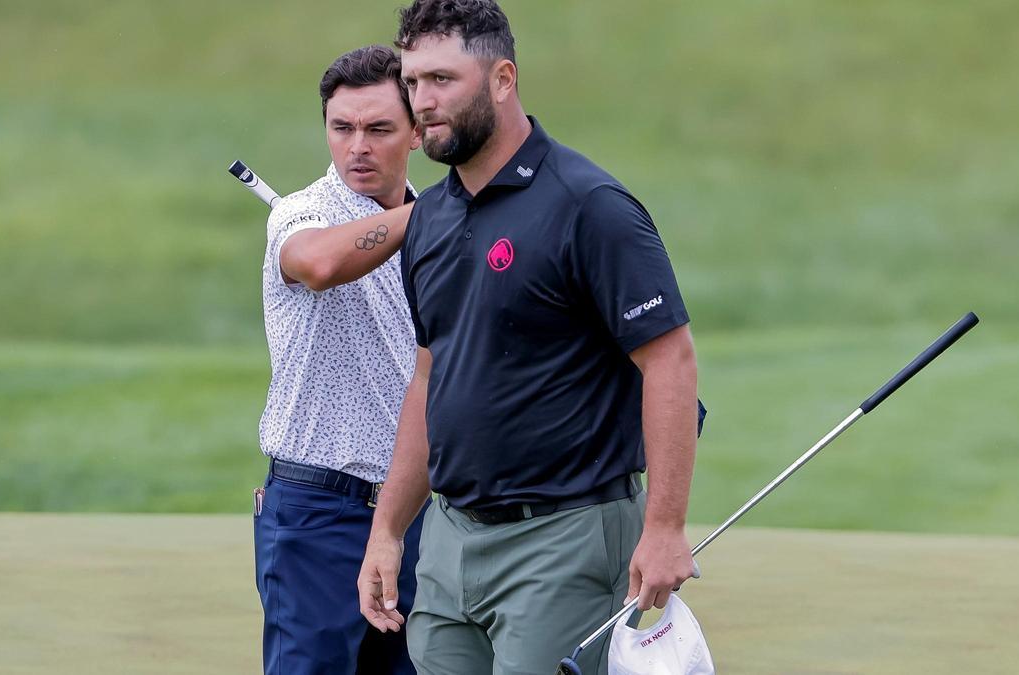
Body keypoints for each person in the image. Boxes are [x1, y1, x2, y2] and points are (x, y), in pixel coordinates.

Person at [357, 2, 701, 673]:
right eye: (413, 81)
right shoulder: (428, 218)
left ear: (503, 79)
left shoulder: (588, 205)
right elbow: (431, 378)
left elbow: (670, 359)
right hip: (452, 540)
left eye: (442, 80)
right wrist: (388, 528)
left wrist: (664, 527)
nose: (422, 102)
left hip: (565, 537)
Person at [253, 44, 426, 675]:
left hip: (415, 513)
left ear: (415, 133)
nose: (358, 146)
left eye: (379, 129)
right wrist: (432, 214)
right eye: (342, 128)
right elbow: (321, 264)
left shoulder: (441, 227)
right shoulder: (302, 214)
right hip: (317, 510)